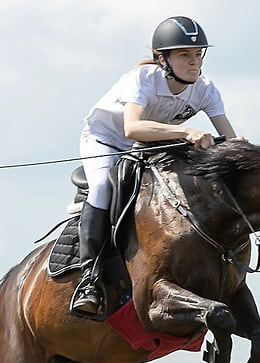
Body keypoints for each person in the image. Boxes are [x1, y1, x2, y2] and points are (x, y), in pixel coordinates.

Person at [70, 15, 238, 318]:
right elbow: (132, 128)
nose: (194, 62)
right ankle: (89, 280)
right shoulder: (144, 79)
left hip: (150, 144)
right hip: (106, 139)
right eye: (185, 54)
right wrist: (185, 132)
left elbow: (231, 138)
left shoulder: (205, 88)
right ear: (163, 59)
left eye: (198, 53)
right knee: (103, 186)